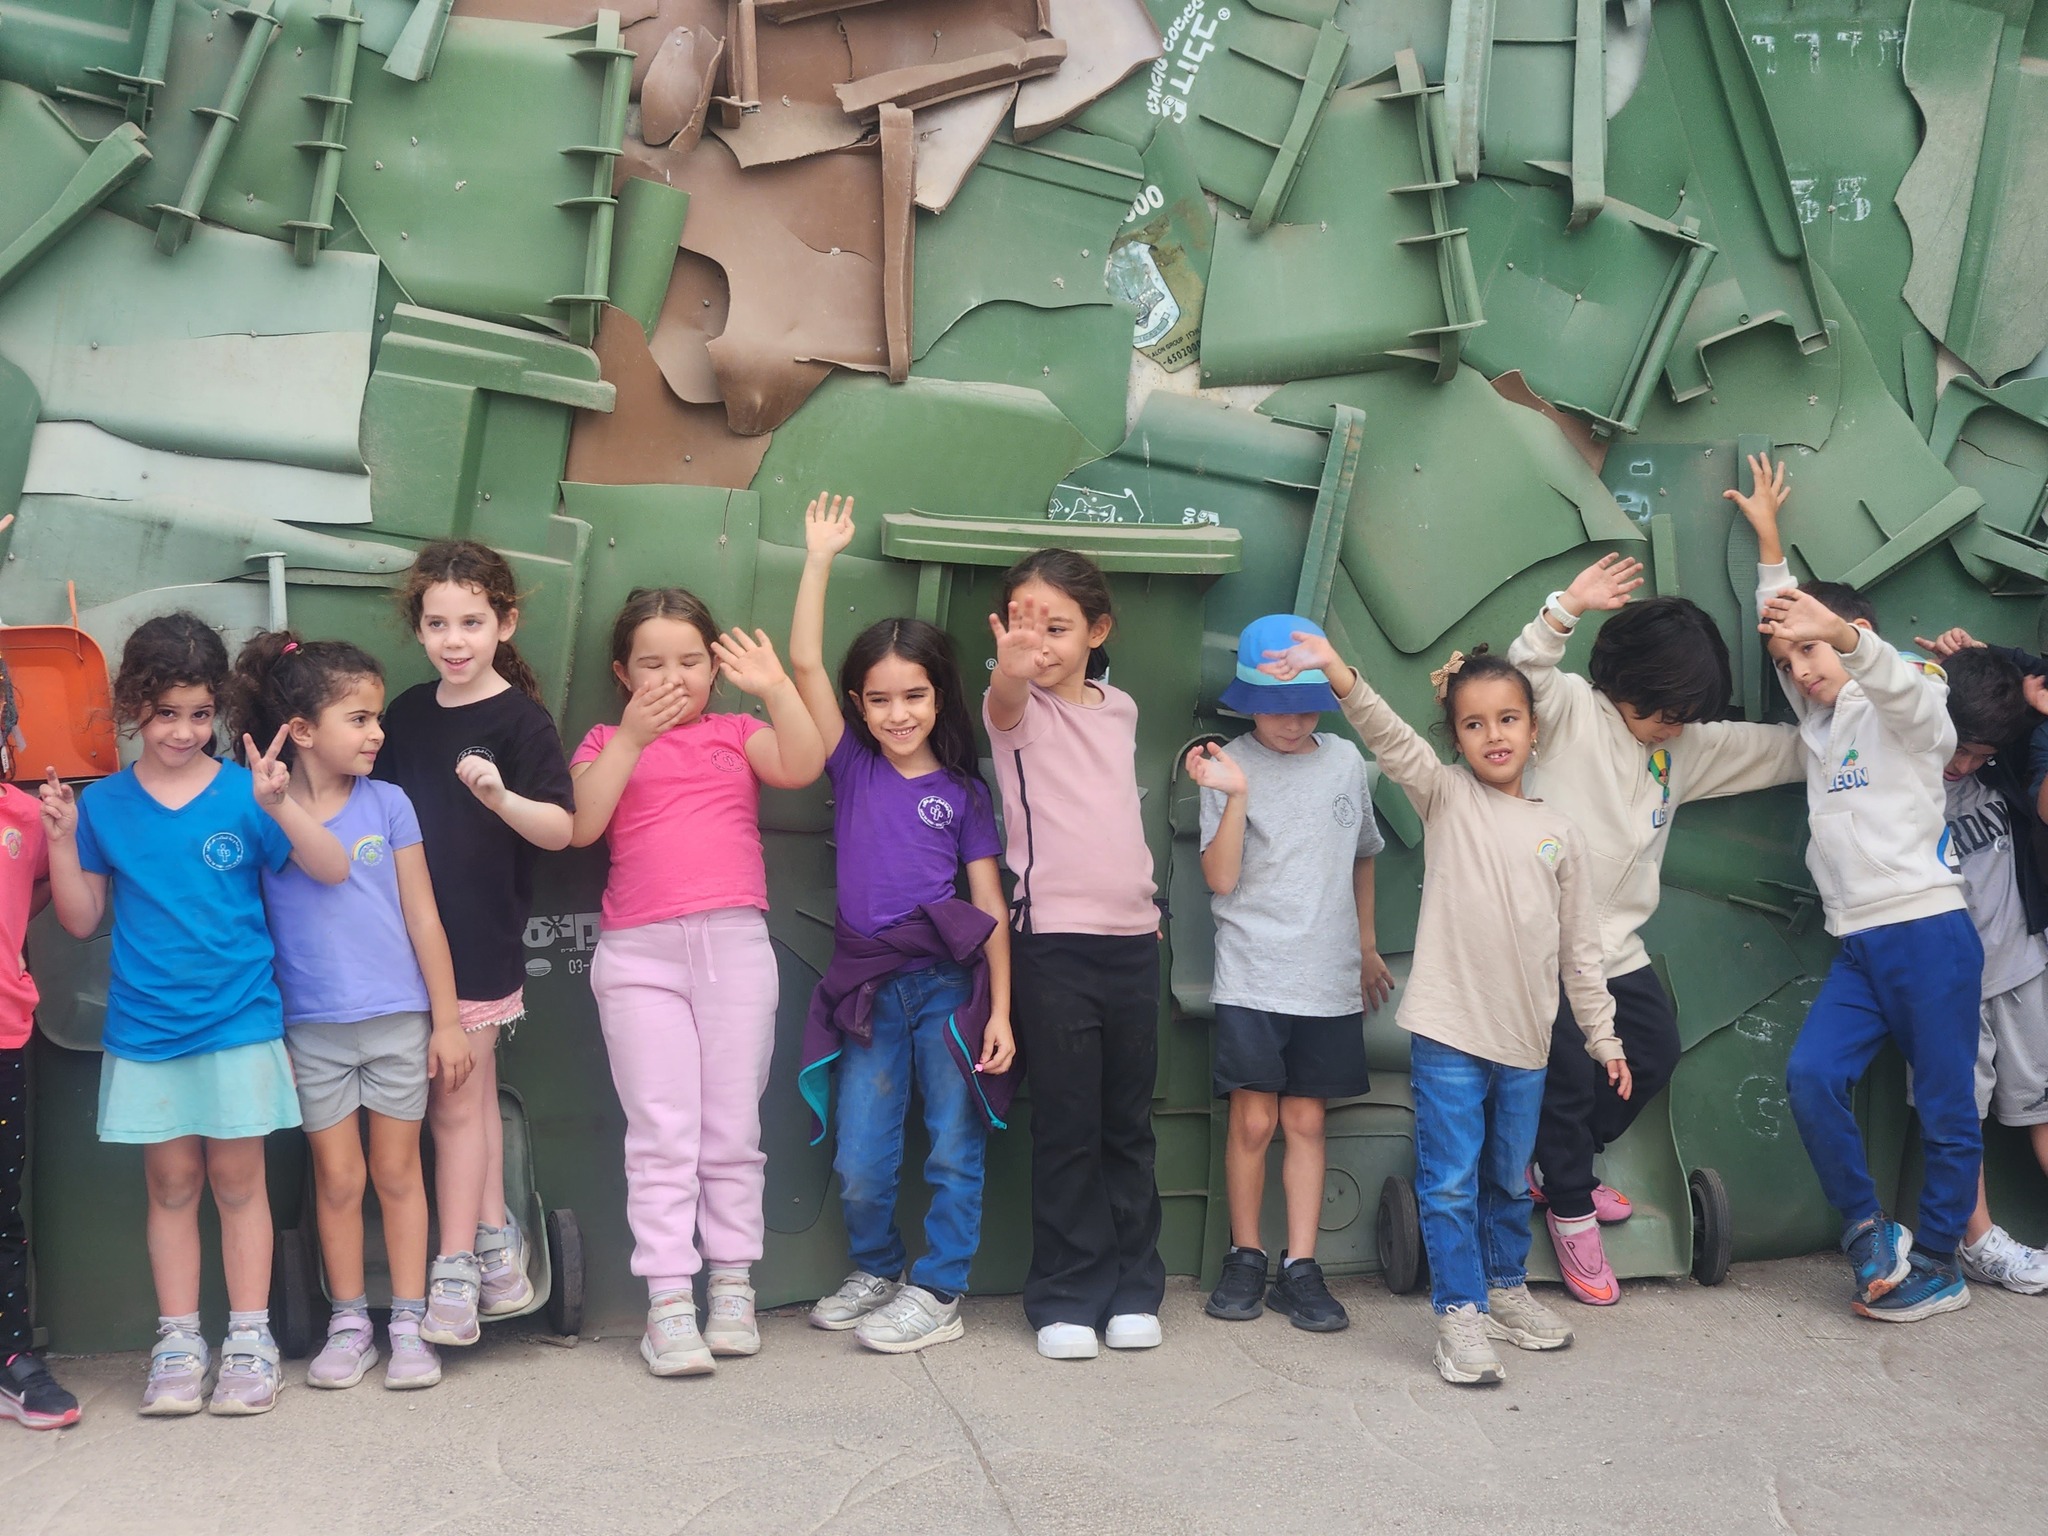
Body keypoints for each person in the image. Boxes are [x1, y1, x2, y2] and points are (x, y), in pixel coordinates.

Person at [1260, 634, 1630, 1386]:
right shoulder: (1446, 796)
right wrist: (1338, 670)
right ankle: (1458, 1314)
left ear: (1534, 728)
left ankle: (1504, 1292)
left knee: (1503, 1177)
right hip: (1451, 1035)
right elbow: (1388, 734)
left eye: (1508, 719)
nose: (1493, 735)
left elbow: (1580, 952)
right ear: (1455, 737)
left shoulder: (1560, 833)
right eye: (1474, 723)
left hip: (1526, 1044)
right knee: (1452, 1180)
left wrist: (1604, 1036)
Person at [39, 614, 348, 1416]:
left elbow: (331, 868)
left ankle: (250, 1341)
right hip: (145, 1030)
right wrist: (65, 844)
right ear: (133, 706)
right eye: (166, 711)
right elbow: (77, 920)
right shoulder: (102, 806)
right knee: (171, 1184)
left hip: (239, 1020)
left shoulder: (252, 792)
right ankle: (178, 1342)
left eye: (201, 713)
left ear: (220, 711)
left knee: (239, 1182)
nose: (183, 730)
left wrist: (282, 807)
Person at [1507, 543, 1800, 1304]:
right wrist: (1564, 607)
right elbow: (1526, 669)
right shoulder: (1572, 712)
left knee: (1655, 1054)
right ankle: (1571, 1213)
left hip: (1617, 949)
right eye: (1660, 711)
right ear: (1620, 685)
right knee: (1570, 1082)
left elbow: (1780, 753)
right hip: (1545, 949)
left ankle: (1553, 1165)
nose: (1671, 727)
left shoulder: (1680, 749)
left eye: (1683, 717)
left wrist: (1864, 709)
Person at [1741, 473, 1981, 1322]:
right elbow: (1788, 625)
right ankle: (1867, 1232)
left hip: (1928, 933)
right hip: (1861, 946)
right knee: (1812, 1077)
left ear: (1857, 638)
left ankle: (1943, 1264)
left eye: (1816, 653)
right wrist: (1771, 546)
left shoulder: (1908, 706)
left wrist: (1837, 632)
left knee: (1949, 1109)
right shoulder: (1818, 725)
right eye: (1788, 661)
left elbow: (1913, 696)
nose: (1802, 671)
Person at [570, 587, 825, 1376]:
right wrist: (632, 738)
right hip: (640, 956)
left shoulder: (738, 732)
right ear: (622, 672)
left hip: (734, 947)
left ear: (716, 668)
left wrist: (775, 684)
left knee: (731, 1132)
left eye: (691, 661)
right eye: (652, 665)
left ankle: (732, 1288)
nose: (673, 677)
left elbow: (805, 761)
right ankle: (669, 1305)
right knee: (661, 1135)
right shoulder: (605, 741)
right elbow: (581, 823)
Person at [789, 494, 1017, 1353]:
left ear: (937, 695)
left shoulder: (961, 794)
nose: (897, 714)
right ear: (860, 703)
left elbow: (990, 908)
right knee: (860, 1158)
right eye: (878, 699)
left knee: (956, 1147)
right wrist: (819, 560)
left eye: (913, 696)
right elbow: (805, 665)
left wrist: (998, 1010)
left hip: (948, 990)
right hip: (867, 992)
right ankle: (878, 1267)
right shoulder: (848, 762)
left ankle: (941, 1291)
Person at [229, 633, 474, 1390]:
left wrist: (445, 1019)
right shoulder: (256, 807)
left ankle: (407, 1319)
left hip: (399, 1019)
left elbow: (424, 917)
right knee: (337, 1181)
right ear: (302, 730)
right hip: (310, 1029)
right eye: (359, 719)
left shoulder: (390, 803)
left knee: (398, 1173)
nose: (377, 733)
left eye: (376, 718)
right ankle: (349, 1322)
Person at [374, 541, 575, 1349]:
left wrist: (500, 797)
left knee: (457, 1101)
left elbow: (561, 830)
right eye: (437, 623)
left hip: (480, 940)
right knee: (469, 1094)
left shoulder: (521, 723)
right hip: (403, 942)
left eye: (471, 621)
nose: (454, 639)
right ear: (418, 630)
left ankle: (454, 1266)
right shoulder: (408, 716)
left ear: (505, 622)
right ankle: (496, 1243)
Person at [984, 549, 1165, 1361]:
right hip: (1052, 945)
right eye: (1025, 625)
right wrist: (1010, 669)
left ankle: (1134, 1289)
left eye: (1059, 627)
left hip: (1133, 946)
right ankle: (1066, 1295)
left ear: (1099, 630)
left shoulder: (1118, 706)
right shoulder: (1014, 711)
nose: (1042, 642)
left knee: (1127, 1125)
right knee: (1067, 1129)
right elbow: (1005, 692)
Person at [1187, 613, 1392, 1333]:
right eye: (1276, 705)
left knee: (1306, 1119)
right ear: (1248, 700)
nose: (1292, 718)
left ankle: (1300, 1267)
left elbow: (1363, 855)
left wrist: (1367, 947)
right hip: (1254, 973)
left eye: (1307, 703)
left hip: (1328, 974)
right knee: (1253, 1118)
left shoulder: (1342, 762)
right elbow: (1219, 877)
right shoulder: (1226, 764)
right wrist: (1235, 794)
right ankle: (1246, 1256)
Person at [1913, 645, 2048, 1292]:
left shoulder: (2004, 766)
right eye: (1959, 748)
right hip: (1946, 984)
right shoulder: (1904, 771)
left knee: (2044, 1104)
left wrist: (1996, 660)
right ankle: (1979, 1242)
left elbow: (2034, 673)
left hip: (2021, 964)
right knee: (1955, 1116)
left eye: (1978, 754)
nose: (1962, 765)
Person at [0, 658, 79, 1429]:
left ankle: (12, 1357)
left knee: (2, 1212)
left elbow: (44, 894)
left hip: (4, 1035)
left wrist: (61, 836)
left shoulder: (23, 817)